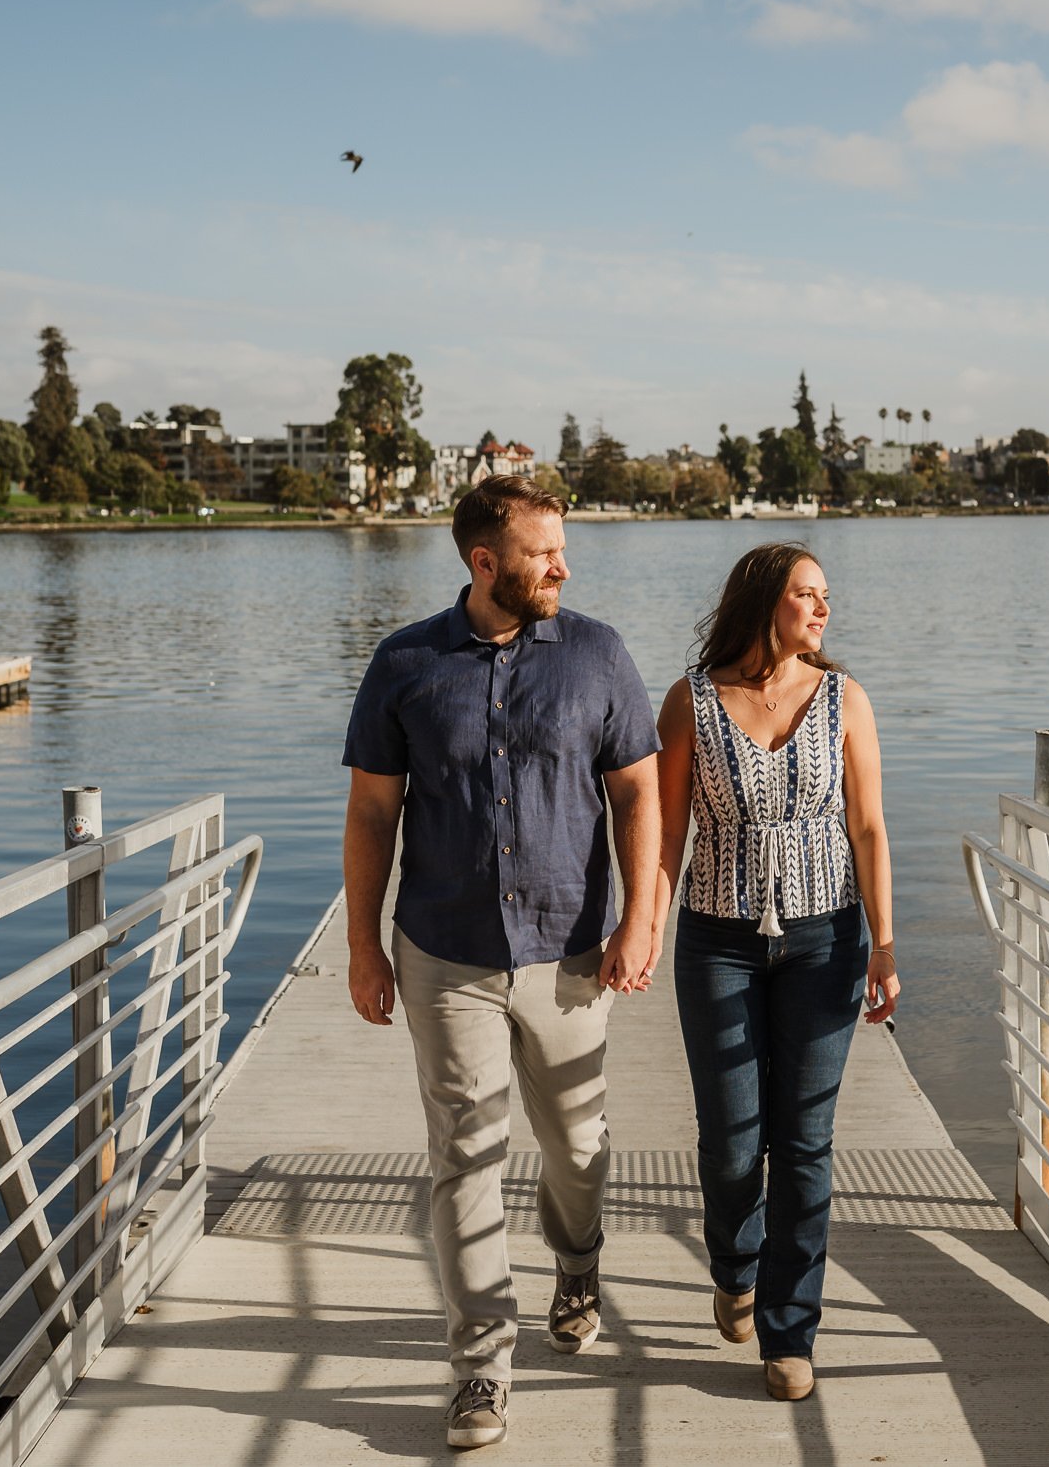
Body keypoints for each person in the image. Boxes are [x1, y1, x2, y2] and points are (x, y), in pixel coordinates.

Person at [342, 474, 665, 1451]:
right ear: (485, 562)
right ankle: (480, 1366)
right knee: (465, 1154)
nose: (562, 565)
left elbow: (640, 794)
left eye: (561, 548)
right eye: (542, 552)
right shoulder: (405, 663)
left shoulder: (598, 655)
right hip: (445, 951)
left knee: (576, 1145)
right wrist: (363, 943)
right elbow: (370, 811)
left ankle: (577, 1258)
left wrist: (640, 917)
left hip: (570, 948)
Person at [652, 541, 897, 1402]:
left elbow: (868, 827)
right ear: (764, 600)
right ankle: (733, 1263)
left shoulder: (845, 699)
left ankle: (790, 1333)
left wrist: (887, 944)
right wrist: (642, 927)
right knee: (731, 1141)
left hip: (827, 939)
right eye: (808, 594)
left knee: (805, 1143)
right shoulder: (690, 703)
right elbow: (667, 837)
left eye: (827, 595)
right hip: (717, 941)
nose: (825, 610)